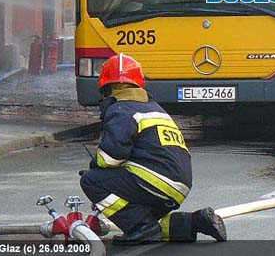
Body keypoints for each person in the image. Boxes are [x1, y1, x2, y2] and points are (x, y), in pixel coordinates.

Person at [79, 53, 227, 245]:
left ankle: (141, 229)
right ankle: (196, 222)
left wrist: (95, 171)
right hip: (178, 186)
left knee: (91, 181)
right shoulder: (155, 108)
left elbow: (111, 158)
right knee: (147, 218)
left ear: (107, 89)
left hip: (154, 182)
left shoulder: (121, 109)